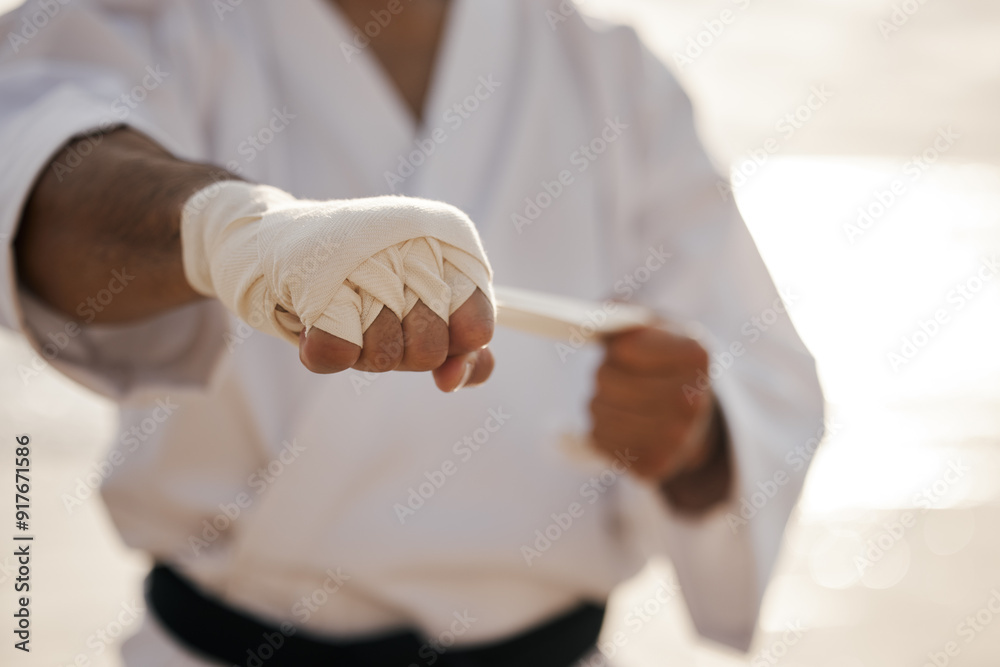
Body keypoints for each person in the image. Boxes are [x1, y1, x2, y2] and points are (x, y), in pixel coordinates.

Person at [0, 0, 824, 664]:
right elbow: (28, 159)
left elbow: (757, 373)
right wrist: (225, 232)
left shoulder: (612, 79)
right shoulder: (151, 20)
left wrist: (693, 436)